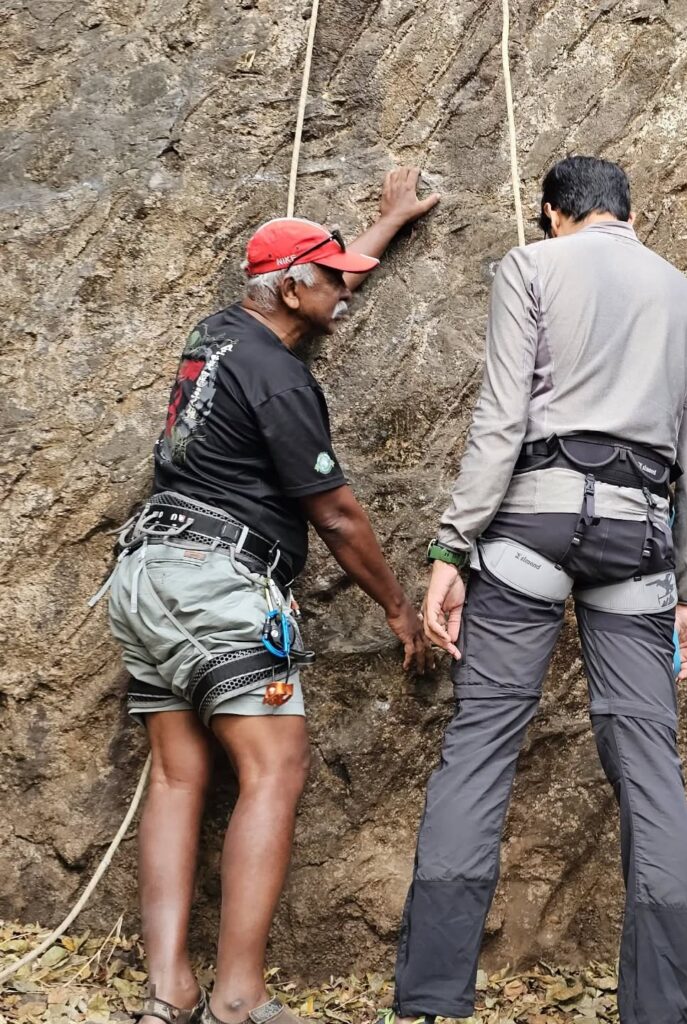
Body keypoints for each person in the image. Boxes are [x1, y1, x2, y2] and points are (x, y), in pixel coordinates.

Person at [377, 155, 687, 1024]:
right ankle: (659, 1011)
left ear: (555, 212)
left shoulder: (533, 264)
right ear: (625, 213)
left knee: (483, 744)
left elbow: (502, 420)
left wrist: (450, 548)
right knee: (650, 766)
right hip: (641, 540)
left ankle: (431, 1002)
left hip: (531, 521)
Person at [94, 169, 439, 1024]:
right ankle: (239, 1000)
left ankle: (169, 993)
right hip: (220, 585)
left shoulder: (217, 334)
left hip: (145, 578)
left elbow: (322, 275)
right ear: (291, 287)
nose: (344, 293)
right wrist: (398, 608)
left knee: (179, 776)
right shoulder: (280, 379)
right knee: (275, 768)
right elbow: (338, 514)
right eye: (328, 281)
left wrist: (387, 220)